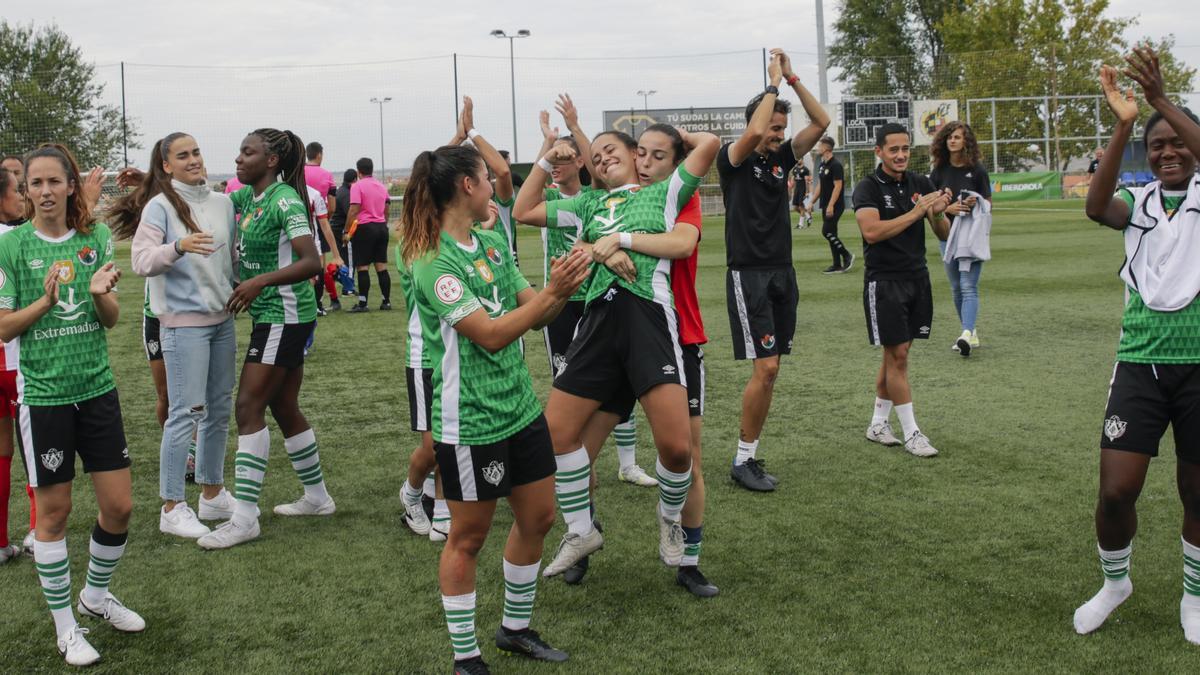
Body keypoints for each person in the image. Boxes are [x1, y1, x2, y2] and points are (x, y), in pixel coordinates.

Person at [404, 143, 590, 674]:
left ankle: (515, 628)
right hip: (471, 423)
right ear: (467, 185)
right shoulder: (433, 263)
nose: (496, 183)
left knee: (539, 517)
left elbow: (530, 306)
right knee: (468, 537)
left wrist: (565, 285)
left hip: (520, 410)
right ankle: (466, 658)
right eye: (488, 176)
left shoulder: (490, 242)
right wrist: (553, 293)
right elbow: (488, 336)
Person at [513, 124, 720, 578]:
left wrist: (674, 134)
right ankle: (582, 529)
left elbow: (711, 146)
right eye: (596, 154)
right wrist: (548, 155)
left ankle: (670, 519)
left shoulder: (664, 193)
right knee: (558, 434)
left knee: (677, 448)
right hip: (598, 322)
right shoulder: (587, 203)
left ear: (636, 156)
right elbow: (523, 210)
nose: (603, 157)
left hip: (648, 321)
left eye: (615, 150)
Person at [0, 144, 144, 666]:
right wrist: (43, 299)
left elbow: (108, 318)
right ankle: (67, 629)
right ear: (24, 191)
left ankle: (96, 597)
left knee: (120, 507)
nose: (42, 192)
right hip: (44, 399)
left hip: (97, 389)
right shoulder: (12, 247)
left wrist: (102, 290)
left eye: (52, 182)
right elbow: (2, 326)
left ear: (68, 185)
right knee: (55, 515)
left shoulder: (95, 238)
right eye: (32, 184)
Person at [1075, 48, 1200, 645]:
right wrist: (1126, 121)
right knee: (1117, 488)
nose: (1167, 152)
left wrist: (1159, 102)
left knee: (1197, 490)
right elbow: (1097, 207)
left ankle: (1195, 598)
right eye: (1156, 146)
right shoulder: (1140, 203)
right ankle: (1115, 583)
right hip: (1140, 365)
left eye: (1177, 142)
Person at [196, 128, 335, 550]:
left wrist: (261, 281)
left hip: (285, 315)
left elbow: (312, 261)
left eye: (247, 152)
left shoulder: (286, 200)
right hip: (273, 315)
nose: (238, 158)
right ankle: (317, 497)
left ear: (271, 160)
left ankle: (244, 519)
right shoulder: (246, 198)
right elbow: (205, 200)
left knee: (248, 406)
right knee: (283, 405)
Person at [110, 133, 239, 540]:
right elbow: (141, 261)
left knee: (219, 410)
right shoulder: (159, 206)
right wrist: (178, 246)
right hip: (183, 326)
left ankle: (213, 494)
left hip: (223, 322)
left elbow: (230, 256)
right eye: (182, 155)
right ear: (166, 165)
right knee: (186, 411)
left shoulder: (223, 202)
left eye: (197, 152)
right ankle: (172, 506)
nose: (193, 160)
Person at [718, 49, 830, 492]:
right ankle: (742, 460)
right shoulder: (735, 159)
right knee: (765, 368)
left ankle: (748, 455)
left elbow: (821, 124)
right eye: (772, 129)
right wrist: (771, 85)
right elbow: (754, 130)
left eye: (781, 130)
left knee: (773, 368)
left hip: (783, 272)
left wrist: (793, 78)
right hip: (749, 275)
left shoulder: (781, 160)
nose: (777, 136)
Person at [531, 100, 656, 488]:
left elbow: (605, 167)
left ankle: (627, 462)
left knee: (619, 383)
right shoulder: (557, 200)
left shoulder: (596, 194)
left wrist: (576, 127)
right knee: (571, 385)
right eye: (555, 162)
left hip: (599, 297)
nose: (558, 166)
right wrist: (547, 148)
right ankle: (578, 461)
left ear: (580, 164)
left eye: (566, 160)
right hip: (566, 299)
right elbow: (521, 206)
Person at [852, 123, 951, 459]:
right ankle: (912, 433)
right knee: (898, 357)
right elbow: (872, 232)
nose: (901, 155)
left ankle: (878, 423)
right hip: (885, 282)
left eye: (905, 149)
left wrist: (936, 213)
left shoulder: (920, 183)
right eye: (893, 149)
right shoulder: (867, 188)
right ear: (878, 151)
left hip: (917, 279)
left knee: (896, 355)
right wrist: (917, 211)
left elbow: (943, 233)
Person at [929, 121, 992, 356]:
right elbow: (931, 205)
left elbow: (988, 205)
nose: (952, 140)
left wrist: (974, 204)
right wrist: (949, 209)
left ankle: (966, 333)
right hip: (947, 237)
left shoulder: (977, 171)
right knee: (956, 288)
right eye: (949, 137)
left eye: (957, 137)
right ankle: (970, 332)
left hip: (970, 238)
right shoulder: (939, 172)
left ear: (967, 141)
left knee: (968, 286)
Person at [0, 167, 27, 563]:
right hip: (14, 358)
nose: (23, 196)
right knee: (35, 446)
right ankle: (42, 532)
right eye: (19, 190)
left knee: (2, 451)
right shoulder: (16, 239)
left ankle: (2, 542)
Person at [346, 157, 392, 312]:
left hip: (365, 228)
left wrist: (346, 231)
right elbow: (386, 209)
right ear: (371, 170)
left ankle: (363, 304)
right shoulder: (381, 186)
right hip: (381, 227)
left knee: (363, 267)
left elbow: (354, 210)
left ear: (358, 172)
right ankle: (386, 302)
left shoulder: (357, 186)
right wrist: (383, 223)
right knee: (381, 267)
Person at [814, 136, 852, 273]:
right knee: (832, 233)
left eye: (820, 145)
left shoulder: (836, 165)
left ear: (826, 148)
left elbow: (838, 186)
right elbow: (820, 185)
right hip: (825, 204)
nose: (818, 147)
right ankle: (836, 264)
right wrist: (811, 202)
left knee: (826, 231)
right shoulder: (822, 164)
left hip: (835, 205)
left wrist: (831, 205)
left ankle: (846, 255)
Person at [329, 169, 357, 297]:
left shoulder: (340, 191)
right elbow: (350, 214)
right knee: (350, 260)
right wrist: (347, 231)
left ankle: (331, 278)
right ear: (354, 180)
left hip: (334, 228)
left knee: (341, 259)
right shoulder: (347, 194)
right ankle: (349, 288)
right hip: (342, 229)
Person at [791, 161, 812, 229]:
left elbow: (807, 182)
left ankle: (801, 224)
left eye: (799, 159)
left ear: (802, 160)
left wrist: (806, 192)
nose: (797, 160)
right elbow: (794, 180)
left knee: (801, 207)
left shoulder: (805, 170)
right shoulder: (794, 169)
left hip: (803, 189)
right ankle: (808, 216)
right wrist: (793, 191)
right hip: (797, 190)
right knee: (795, 207)